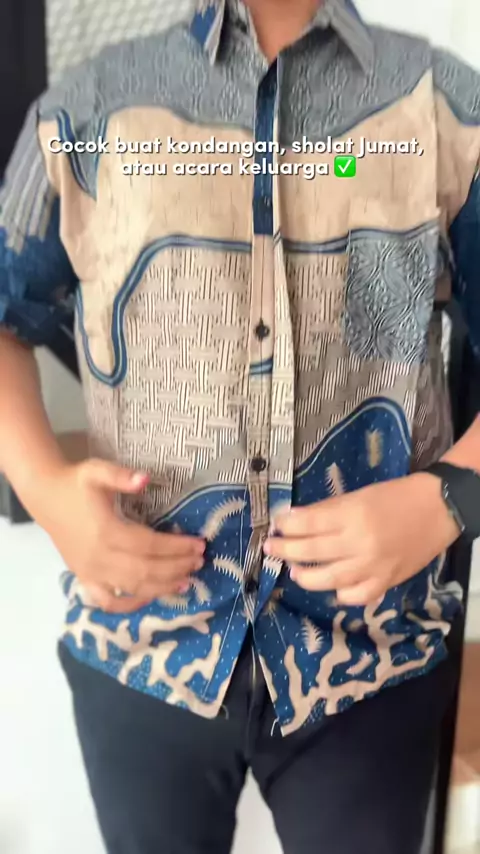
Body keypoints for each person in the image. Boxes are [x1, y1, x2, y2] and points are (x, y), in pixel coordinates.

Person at [1, 0, 480, 851]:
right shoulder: (85, 111)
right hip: (142, 649)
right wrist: (45, 489)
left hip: (374, 656)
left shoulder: (444, 108)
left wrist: (451, 497)